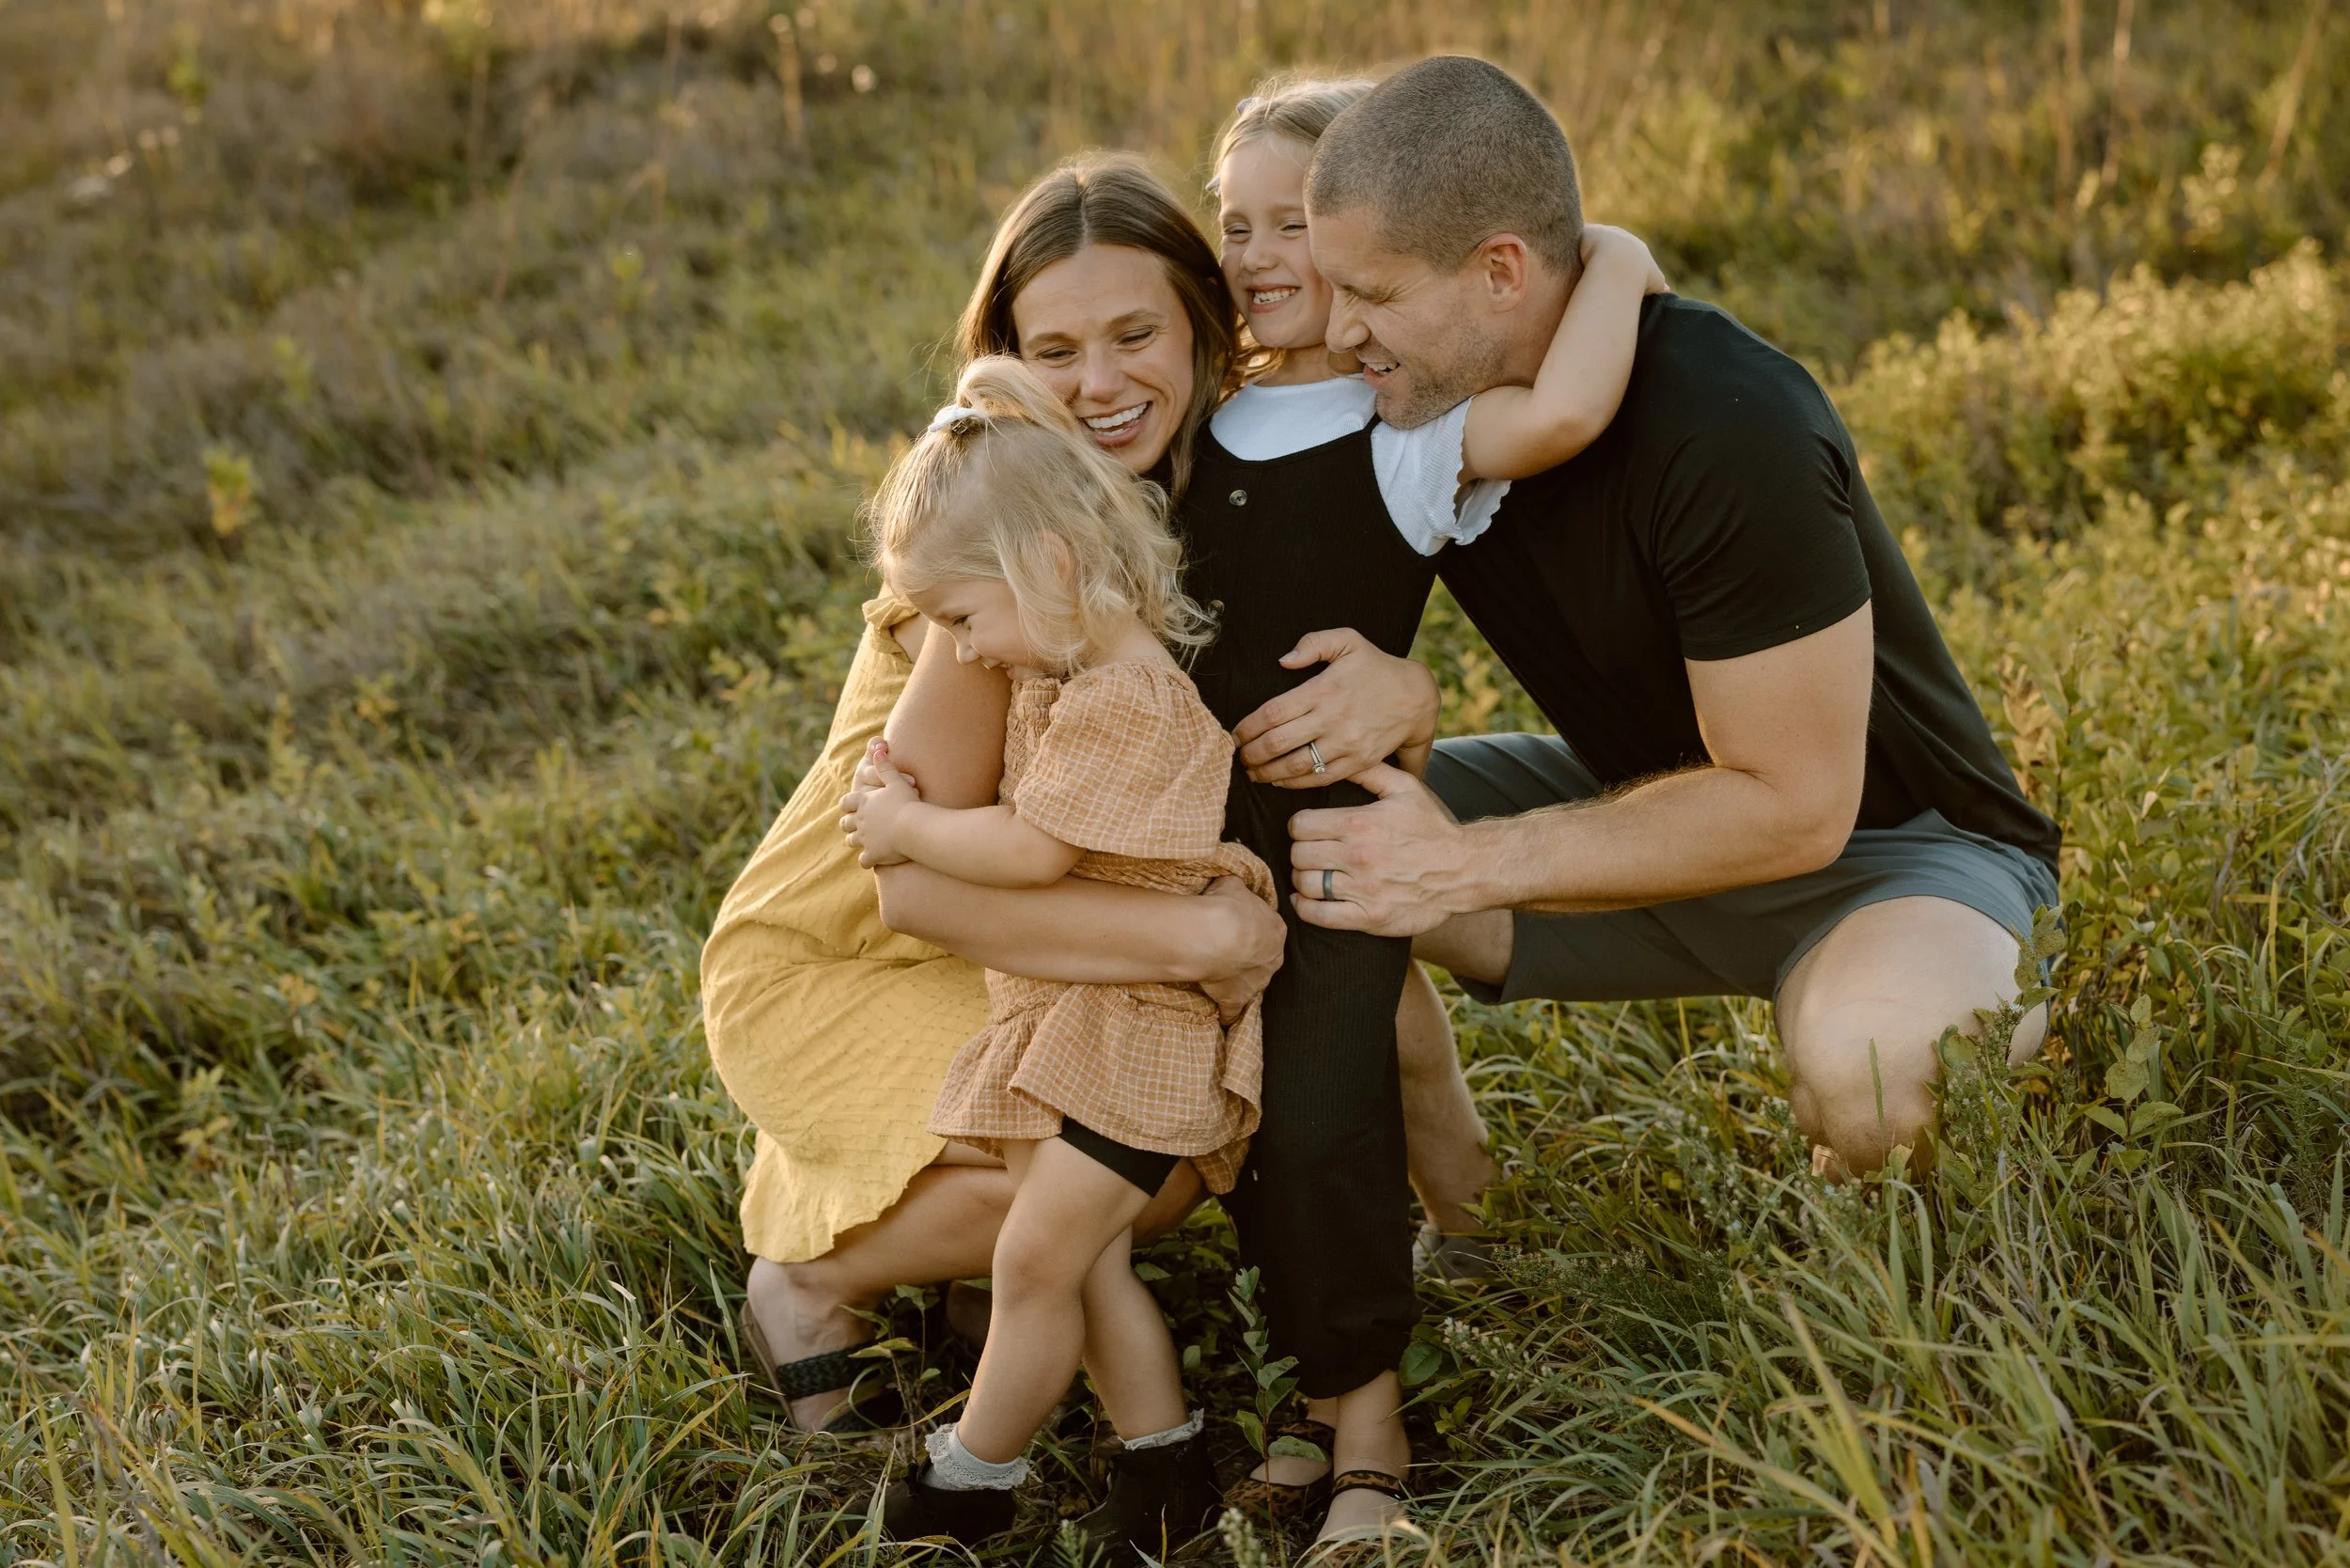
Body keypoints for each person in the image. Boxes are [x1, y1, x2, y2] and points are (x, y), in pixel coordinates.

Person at [698, 158, 1496, 1445]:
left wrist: (1412, 693)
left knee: (1156, 1100)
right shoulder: (1002, 539)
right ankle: (808, 1282)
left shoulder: (1207, 491)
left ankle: (960, 1258)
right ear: (1009, 366)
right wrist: (1191, 941)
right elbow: (909, 884)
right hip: (852, 944)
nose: (1101, 385)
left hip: (1035, 927)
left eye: (1136, 336)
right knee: (1153, 1151)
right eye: (1054, 349)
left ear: (1204, 324)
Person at [1262, 58, 2060, 1223]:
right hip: (1640, 801)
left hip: (1895, 855)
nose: (1342, 333)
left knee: (1879, 1091)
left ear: (1500, 271)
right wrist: (1398, 690)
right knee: (1268, 841)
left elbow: (1797, 809)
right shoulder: (1418, 408)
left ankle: (1937, 1018)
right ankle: (1470, 1226)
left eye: (1372, 294)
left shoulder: (1730, 420)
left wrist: (1460, 864)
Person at [1185, 78, 1668, 1546]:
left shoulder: (1399, 425)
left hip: (1337, 838)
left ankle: (1375, 1437)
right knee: (1250, 1125)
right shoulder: (1182, 420)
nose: (1264, 255)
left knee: (1327, 1114)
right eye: (1235, 225)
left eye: (1296, 226)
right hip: (1192, 844)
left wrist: (1624, 254)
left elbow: (1575, 406)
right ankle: (1314, 1384)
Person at [843, 355, 1277, 1552]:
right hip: (1087, 1020)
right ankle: (1165, 1467)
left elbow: (1034, 854)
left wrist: (907, 825)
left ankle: (971, 1477)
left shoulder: (1126, 699)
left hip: (1138, 1033)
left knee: (1033, 1256)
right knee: (1084, 1272)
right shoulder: (1062, 675)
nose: (966, 651)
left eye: (963, 618)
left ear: (1049, 566)